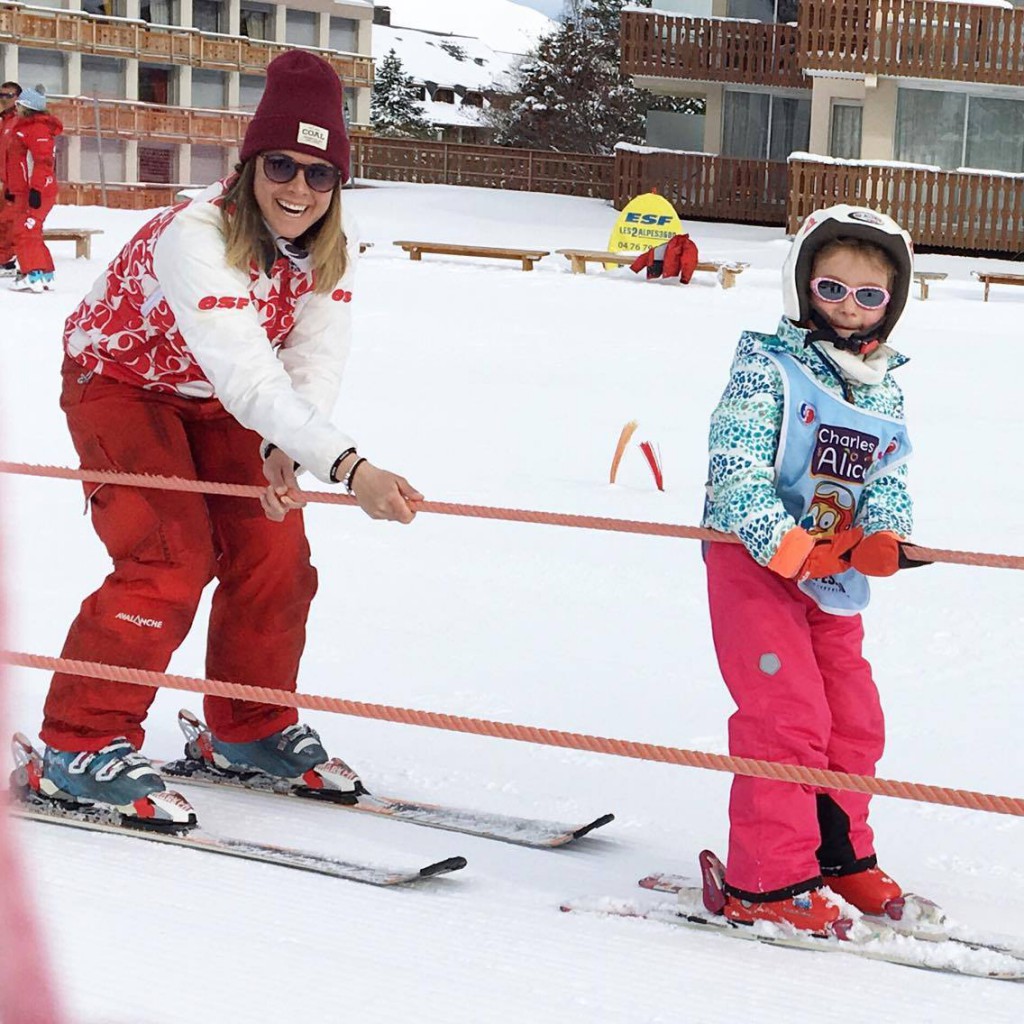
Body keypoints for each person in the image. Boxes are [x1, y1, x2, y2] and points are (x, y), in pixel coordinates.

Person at [29, 51, 422, 829]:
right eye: (282, 164)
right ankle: (79, 743)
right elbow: (247, 370)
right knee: (169, 558)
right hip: (122, 385)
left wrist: (290, 449)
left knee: (274, 549)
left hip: (221, 400)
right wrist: (349, 467)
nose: (298, 189)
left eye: (320, 174)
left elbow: (310, 359)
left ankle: (248, 728)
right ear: (251, 164)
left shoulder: (329, 252)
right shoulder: (196, 233)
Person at [701, 203, 919, 935]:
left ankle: (837, 854)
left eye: (869, 296)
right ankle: (768, 880)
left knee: (854, 718)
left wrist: (886, 533)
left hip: (832, 575)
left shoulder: (882, 384)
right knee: (786, 714)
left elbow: (887, 476)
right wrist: (782, 540)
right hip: (755, 564)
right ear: (804, 289)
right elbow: (734, 467)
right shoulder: (769, 364)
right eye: (832, 289)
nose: (849, 310)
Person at [5, 86, 63, 292]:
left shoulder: (37, 129)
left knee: (25, 231)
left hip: (36, 190)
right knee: (30, 231)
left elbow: (43, 162)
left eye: (19, 104)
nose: (16, 107)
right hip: (23, 190)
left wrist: (36, 189)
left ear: (27, 107)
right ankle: (45, 273)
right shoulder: (24, 127)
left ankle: (33, 273)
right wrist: (11, 188)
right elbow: (15, 162)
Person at [0, 80, 21, 276]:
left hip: (13, 183)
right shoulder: (4, 120)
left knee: (8, 222)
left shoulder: (19, 119)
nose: (4, 99)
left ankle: (7, 262)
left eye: (8, 96)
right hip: (2, 180)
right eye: (1, 95)